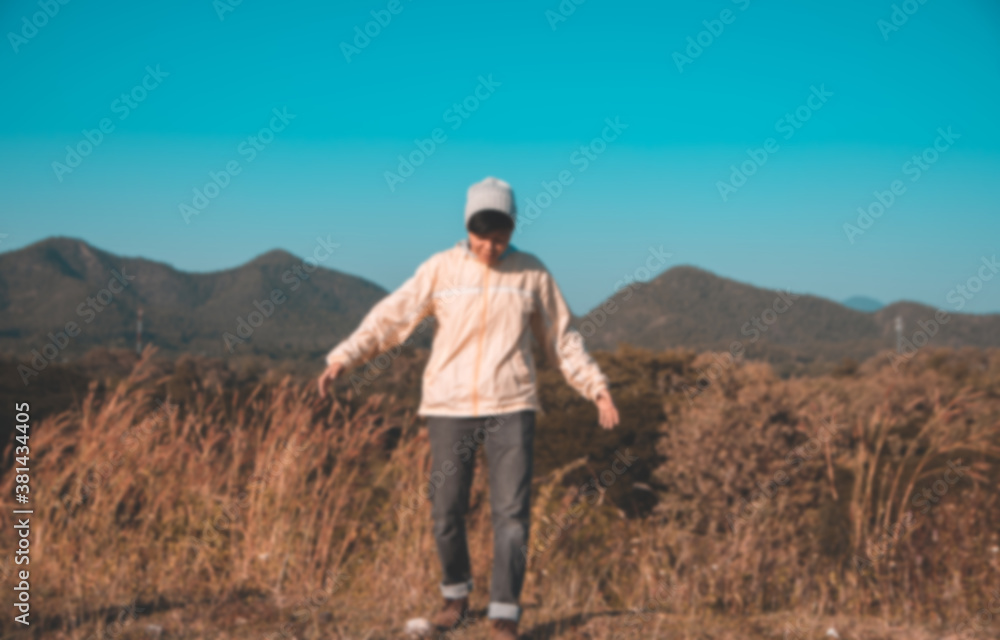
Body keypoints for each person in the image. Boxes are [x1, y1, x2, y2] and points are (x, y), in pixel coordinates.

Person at [317, 176, 620, 640]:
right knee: (446, 509)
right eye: (482, 236)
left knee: (512, 514)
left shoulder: (532, 273)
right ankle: (455, 599)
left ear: (513, 230)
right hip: (449, 405)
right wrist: (345, 356)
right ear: (467, 228)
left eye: (500, 236)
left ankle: (504, 613)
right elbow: (392, 315)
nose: (490, 246)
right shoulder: (440, 268)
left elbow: (562, 339)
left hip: (512, 405)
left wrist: (596, 386)